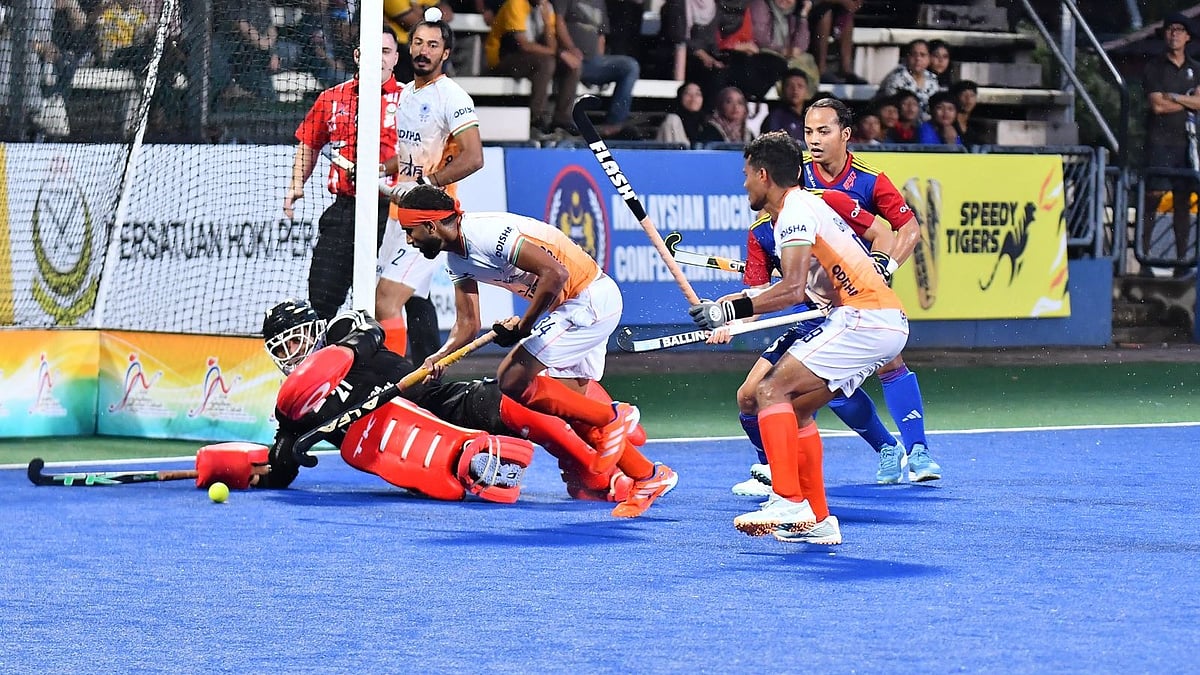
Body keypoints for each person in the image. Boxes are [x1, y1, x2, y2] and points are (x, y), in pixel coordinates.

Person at [394, 184, 679, 517]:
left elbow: (555, 274)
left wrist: (525, 325)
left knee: (512, 378)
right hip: (575, 307)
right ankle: (648, 476)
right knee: (570, 407)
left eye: (409, 231)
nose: (408, 240)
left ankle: (613, 416)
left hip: (586, 300)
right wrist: (439, 357)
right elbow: (468, 325)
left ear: (430, 225)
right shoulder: (457, 259)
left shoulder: (487, 234)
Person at [689, 131, 910, 545]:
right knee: (799, 409)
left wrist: (728, 312)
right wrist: (726, 307)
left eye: (746, 176)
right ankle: (819, 520)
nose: (744, 185)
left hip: (866, 318)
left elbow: (789, 291)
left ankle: (788, 498)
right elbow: (790, 287)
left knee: (770, 391)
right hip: (875, 321)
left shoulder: (795, 211)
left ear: (763, 174)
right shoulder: (799, 211)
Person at [260, 299, 648, 504]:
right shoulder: (294, 407)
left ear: (311, 330)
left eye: (295, 340)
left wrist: (333, 362)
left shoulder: (341, 330)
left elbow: (369, 334)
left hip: (438, 401)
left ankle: (605, 432)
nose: (292, 352)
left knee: (515, 401)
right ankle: (601, 466)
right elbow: (280, 468)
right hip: (415, 452)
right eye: (282, 349)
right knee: (581, 488)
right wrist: (276, 459)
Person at [801, 97, 942, 483]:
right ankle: (886, 448)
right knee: (826, 379)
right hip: (819, 294)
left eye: (824, 131)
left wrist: (886, 264)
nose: (814, 139)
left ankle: (918, 452)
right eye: (809, 131)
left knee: (890, 362)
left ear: (845, 135)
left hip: (864, 293)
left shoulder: (869, 179)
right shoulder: (795, 176)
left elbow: (909, 230)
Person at [379, 14, 484, 365]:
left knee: (385, 301)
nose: (424, 51)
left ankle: (388, 383)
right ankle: (424, 378)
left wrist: (429, 184)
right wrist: (383, 169)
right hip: (401, 211)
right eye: (419, 43)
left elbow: (474, 157)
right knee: (410, 301)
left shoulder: (452, 96)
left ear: (445, 53)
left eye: (433, 45)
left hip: (431, 217)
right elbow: (411, 152)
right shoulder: (407, 93)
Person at [282, 28, 402, 321]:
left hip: (394, 214)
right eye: (372, 52)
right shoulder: (331, 98)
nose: (379, 59)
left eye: (385, 52)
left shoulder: (408, 100)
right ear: (357, 56)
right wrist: (296, 185)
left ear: (396, 58)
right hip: (345, 210)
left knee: (397, 303)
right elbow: (310, 143)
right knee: (321, 299)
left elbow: (423, 153)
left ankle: (414, 366)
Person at [1142, 12, 1200, 276]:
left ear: (1187, 36)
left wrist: (1173, 97)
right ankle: (1143, 256)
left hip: (1186, 145)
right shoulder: (1154, 67)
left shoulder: (1196, 68)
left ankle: (1180, 262)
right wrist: (1186, 100)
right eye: (1170, 29)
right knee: (1152, 198)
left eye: (1179, 29)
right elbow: (1157, 106)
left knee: (1182, 202)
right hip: (1158, 142)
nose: (1174, 34)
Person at [485, 0, 582, 137]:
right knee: (547, 62)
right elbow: (523, 45)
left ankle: (562, 119)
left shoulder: (546, 8)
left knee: (572, 65)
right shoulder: (516, 3)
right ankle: (537, 119)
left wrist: (547, 24)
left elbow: (551, 45)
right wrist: (560, 53)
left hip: (535, 59)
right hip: (504, 59)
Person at [553, 0, 640, 137]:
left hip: (592, 62)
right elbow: (558, 22)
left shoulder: (599, 2)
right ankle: (566, 122)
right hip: (565, 57)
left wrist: (601, 64)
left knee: (630, 66)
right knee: (573, 66)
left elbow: (601, 36)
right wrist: (570, 48)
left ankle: (614, 124)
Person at [384, 0, 454, 82]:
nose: (424, 51)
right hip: (401, 50)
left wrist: (422, 10)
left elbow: (448, 14)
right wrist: (429, 11)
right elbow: (412, 22)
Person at [877, 39, 939, 118]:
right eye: (914, 54)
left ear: (929, 58)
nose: (918, 59)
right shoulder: (897, 78)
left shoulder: (932, 78)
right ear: (907, 57)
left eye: (922, 55)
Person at [808, 0, 864, 84]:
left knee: (847, 16)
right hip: (808, 9)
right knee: (825, 13)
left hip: (834, 10)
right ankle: (821, 69)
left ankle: (846, 69)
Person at [656, 81, 725, 145]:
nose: (693, 98)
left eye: (697, 94)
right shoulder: (672, 121)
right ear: (680, 97)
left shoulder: (708, 124)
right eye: (688, 93)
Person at [759, 68, 810, 141]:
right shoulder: (775, 118)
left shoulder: (810, 117)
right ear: (782, 89)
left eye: (800, 86)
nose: (795, 90)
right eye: (790, 85)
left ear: (807, 91)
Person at [950, 79, 984, 146]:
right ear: (955, 97)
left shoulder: (976, 126)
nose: (968, 100)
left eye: (972, 95)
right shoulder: (949, 123)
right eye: (964, 95)